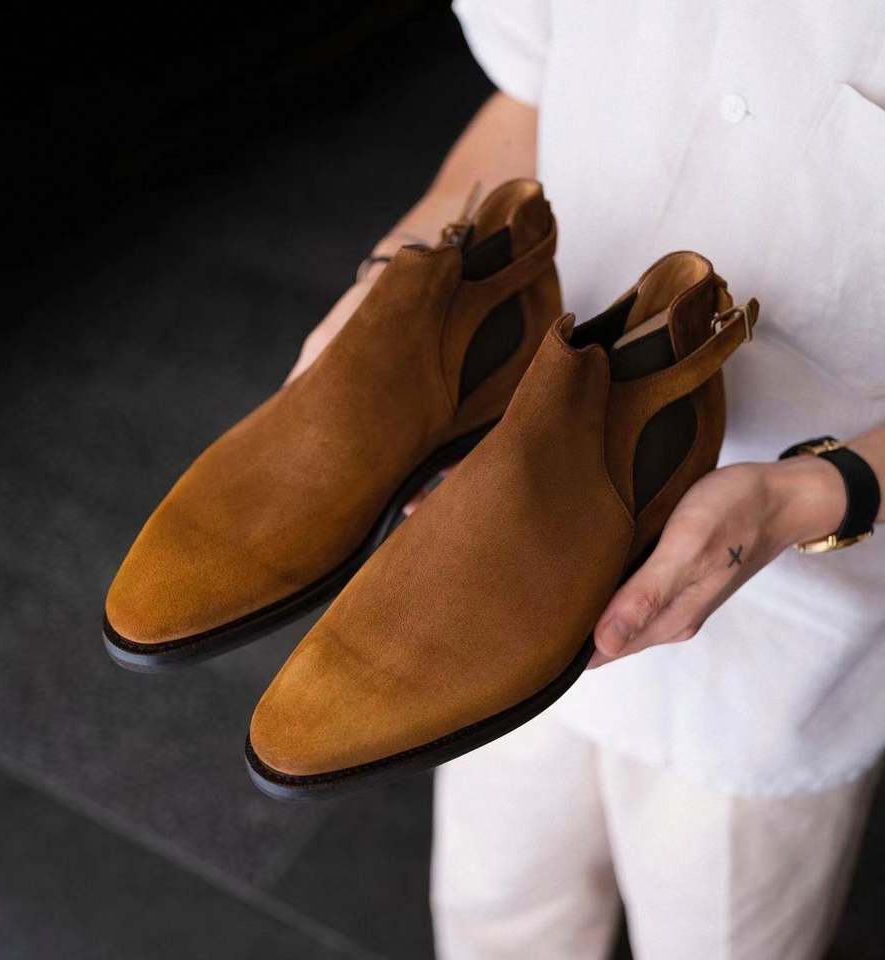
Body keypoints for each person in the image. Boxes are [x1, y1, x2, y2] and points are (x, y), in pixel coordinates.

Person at [289, 2, 885, 957]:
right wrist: (395, 288)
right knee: (498, 909)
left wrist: (809, 496)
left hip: (793, 609)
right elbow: (529, 94)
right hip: (508, 505)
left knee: (719, 925)